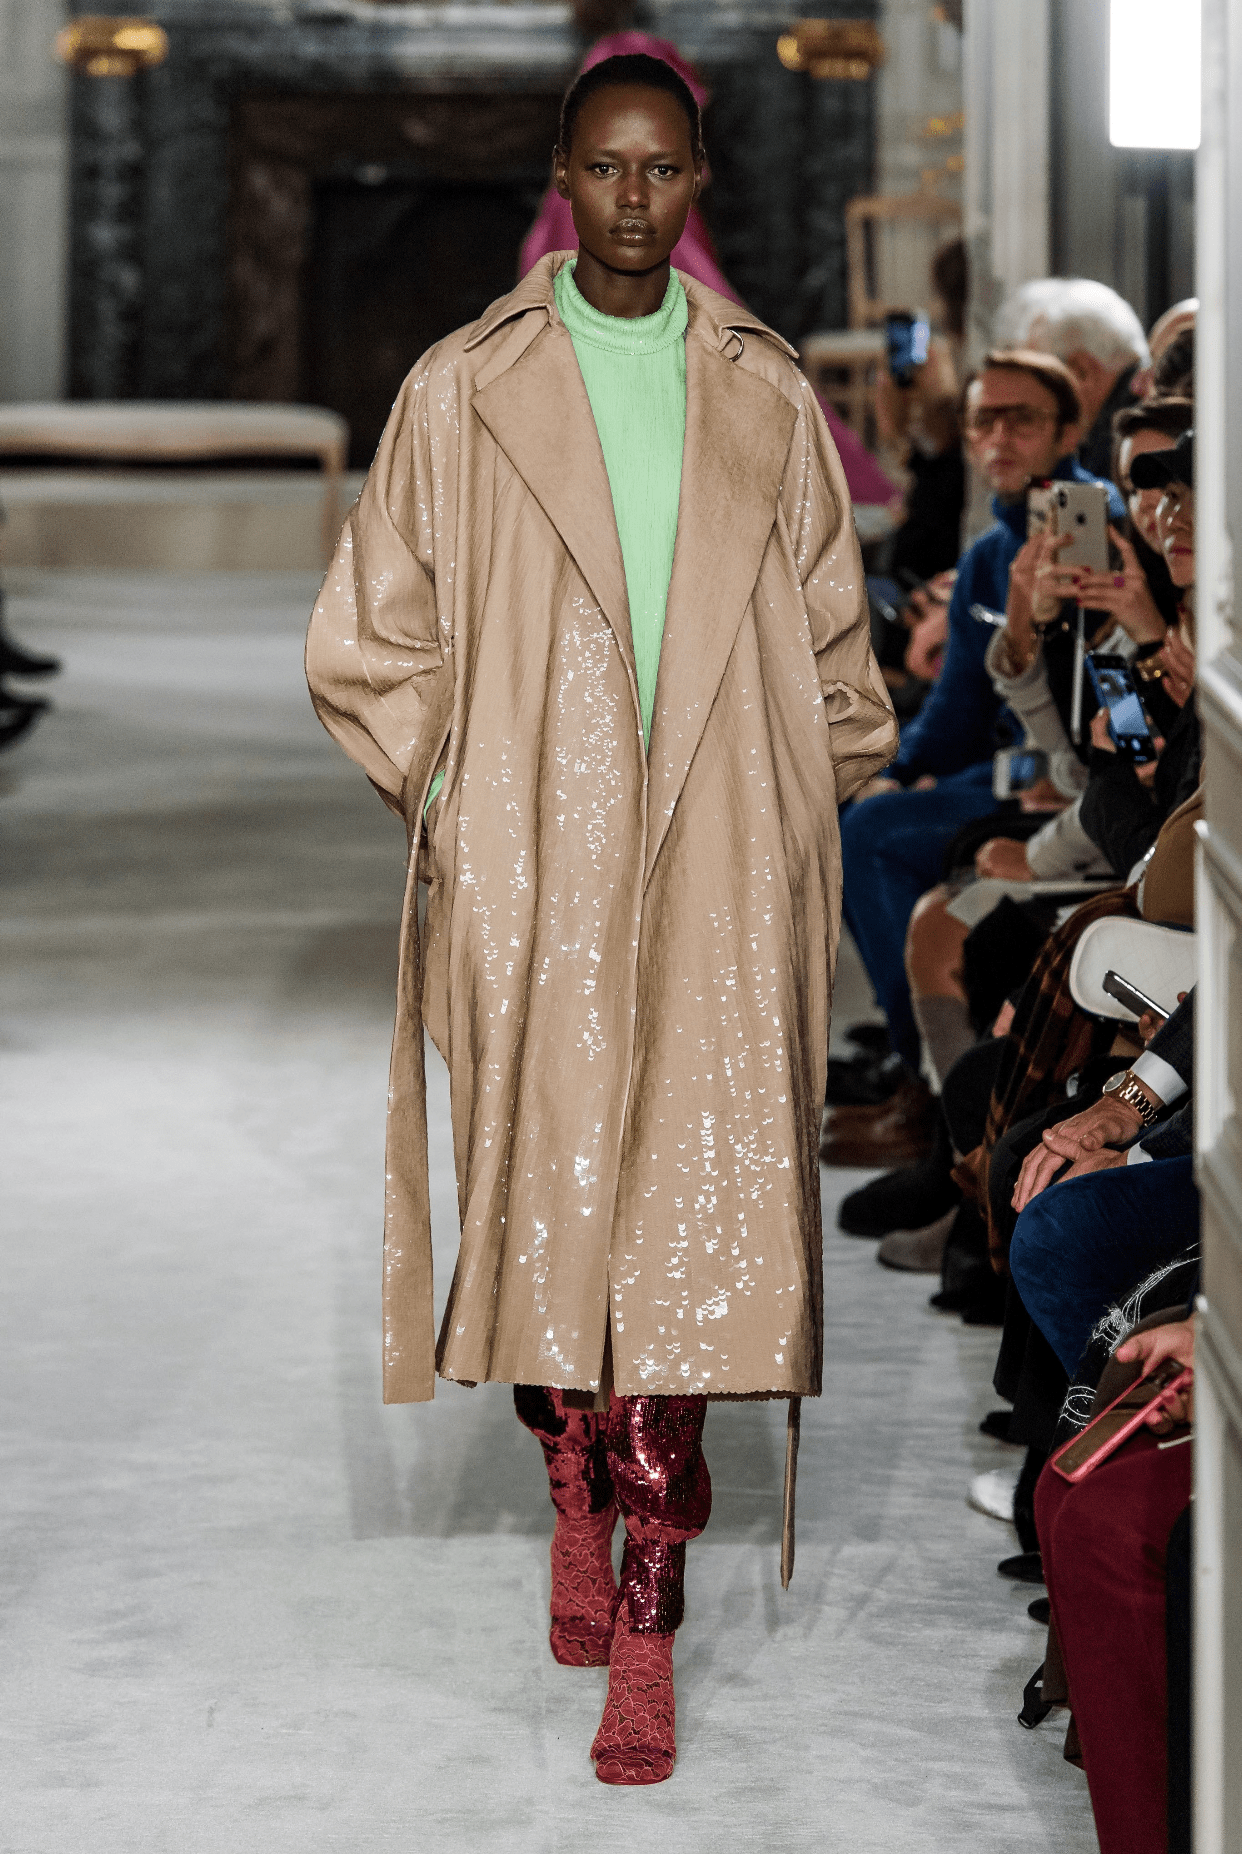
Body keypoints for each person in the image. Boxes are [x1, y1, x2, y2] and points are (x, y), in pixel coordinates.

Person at [305, 53, 897, 1786]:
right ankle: (571, 1468)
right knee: (551, 1208)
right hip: (537, 863)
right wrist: (460, 798)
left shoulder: (761, 389)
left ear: (698, 180)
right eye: (606, 168)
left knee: (691, 1239)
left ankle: (648, 1610)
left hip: (718, 856)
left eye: (664, 169)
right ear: (560, 176)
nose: (635, 198)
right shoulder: (464, 384)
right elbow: (370, 633)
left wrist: (790, 802)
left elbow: (835, 645)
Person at [830, 350, 1123, 1145]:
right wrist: (886, 772)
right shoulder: (993, 554)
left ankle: (930, 1099)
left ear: (1069, 430)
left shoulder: (1098, 529)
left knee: (873, 836)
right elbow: (956, 711)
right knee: (853, 809)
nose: (1000, 438)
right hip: (1009, 775)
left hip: (1090, 792)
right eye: (983, 421)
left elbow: (1096, 704)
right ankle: (920, 1071)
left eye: (1022, 419)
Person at [994, 277, 1150, 478]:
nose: (1025, 397)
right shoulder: (1125, 426)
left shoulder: (1127, 449)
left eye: (1038, 380)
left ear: (1082, 372)